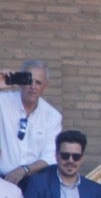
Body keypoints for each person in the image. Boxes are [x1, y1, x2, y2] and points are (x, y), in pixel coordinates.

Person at [0, 59, 62, 188]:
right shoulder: (3, 102)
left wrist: (24, 170)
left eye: (38, 82)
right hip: (3, 178)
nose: (33, 86)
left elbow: (50, 157)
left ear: (45, 86)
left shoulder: (52, 116)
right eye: (28, 81)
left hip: (34, 182)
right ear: (21, 82)